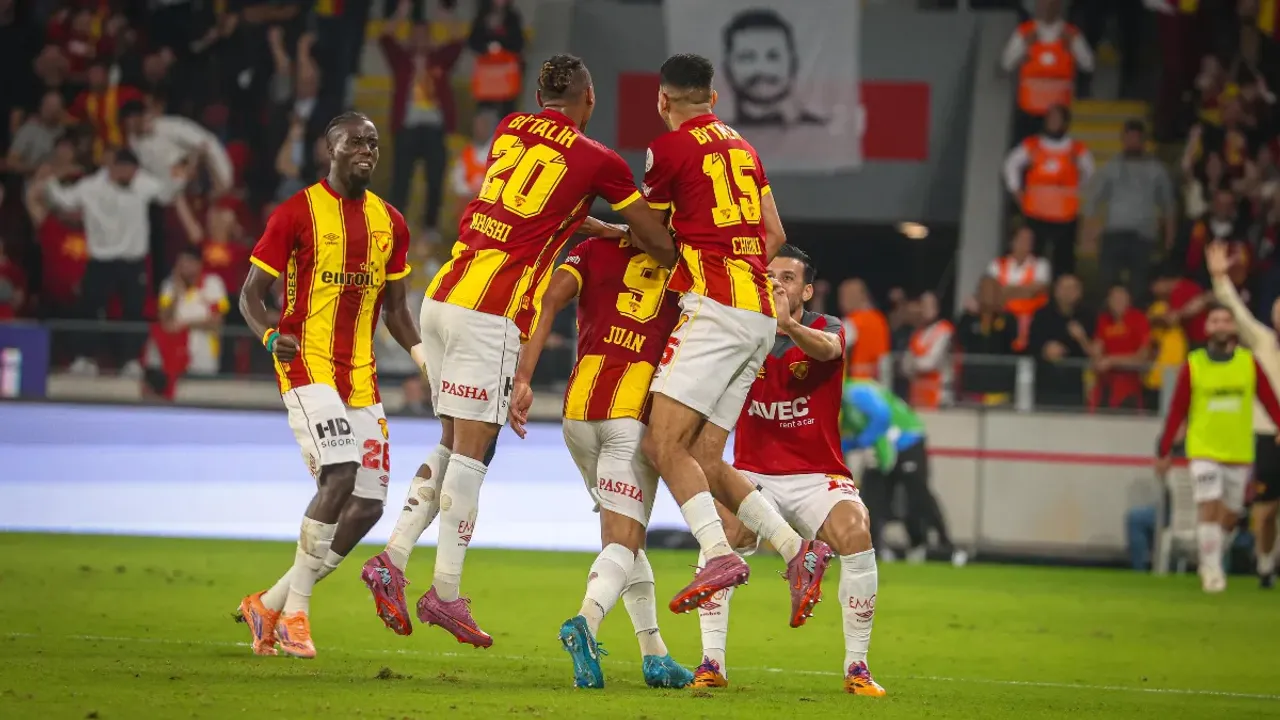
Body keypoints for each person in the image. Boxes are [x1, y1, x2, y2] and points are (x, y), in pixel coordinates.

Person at [360, 54, 676, 647]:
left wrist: (595, 227)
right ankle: (445, 593)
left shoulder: (510, 128)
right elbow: (658, 243)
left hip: (445, 295)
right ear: (589, 98)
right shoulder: (599, 160)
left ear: (537, 97)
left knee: (451, 441)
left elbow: (534, 211)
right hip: (493, 308)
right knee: (474, 452)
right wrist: (635, 233)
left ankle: (393, 557)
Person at [640, 53, 834, 625]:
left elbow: (651, 234)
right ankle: (798, 552)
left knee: (661, 444)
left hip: (716, 308)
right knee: (704, 455)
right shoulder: (745, 149)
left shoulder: (667, 149)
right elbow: (774, 232)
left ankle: (719, 553)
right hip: (757, 315)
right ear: (714, 98)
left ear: (663, 99)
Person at [233, 112, 426, 659]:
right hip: (306, 366)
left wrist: (422, 359)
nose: (366, 149)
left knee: (368, 505)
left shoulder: (391, 222)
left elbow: (396, 309)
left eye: (373, 143)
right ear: (330, 149)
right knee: (340, 473)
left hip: (360, 376)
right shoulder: (296, 212)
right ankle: (296, 614)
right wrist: (270, 335)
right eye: (355, 142)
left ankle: (269, 603)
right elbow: (250, 294)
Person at [691, 246, 885, 696]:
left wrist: (789, 326)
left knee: (856, 533)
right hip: (754, 473)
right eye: (771, 275)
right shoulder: (740, 329)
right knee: (720, 536)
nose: (777, 283)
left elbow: (829, 350)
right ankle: (711, 662)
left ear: (807, 290)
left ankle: (857, 667)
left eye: (789, 277)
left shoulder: (826, 327)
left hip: (818, 473)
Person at [508, 235, 693, 690]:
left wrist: (523, 377)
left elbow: (549, 299)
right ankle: (586, 621)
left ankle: (655, 655)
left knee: (625, 538)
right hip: (630, 416)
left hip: (577, 413)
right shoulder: (688, 259)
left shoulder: (592, 248)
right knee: (624, 539)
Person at [1156, 302, 1280, 593]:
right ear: (1206, 327)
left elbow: (1268, 398)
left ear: (1233, 327)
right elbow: (1178, 408)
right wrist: (1164, 448)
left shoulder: (1248, 363)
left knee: (1232, 515)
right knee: (1209, 503)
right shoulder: (1195, 363)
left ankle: (1209, 557)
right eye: (1215, 320)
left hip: (1238, 450)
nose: (1221, 325)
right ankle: (1212, 570)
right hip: (1204, 449)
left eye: (1226, 320)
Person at [1207, 241, 1280, 588]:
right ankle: (1265, 563)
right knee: (1266, 509)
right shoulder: (1263, 340)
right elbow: (1236, 310)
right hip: (1266, 435)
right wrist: (1220, 278)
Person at [844, 379, 961, 568]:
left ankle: (945, 546)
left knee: (917, 494)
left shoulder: (855, 392)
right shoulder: (841, 408)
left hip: (907, 441)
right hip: (881, 448)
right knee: (871, 497)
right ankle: (874, 549)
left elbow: (881, 416)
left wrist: (864, 441)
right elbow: (851, 438)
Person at [1002, 104, 1094, 277]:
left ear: (1065, 123)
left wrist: (1076, 191)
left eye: (1057, 119)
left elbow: (1089, 172)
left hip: (1065, 216)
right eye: (1050, 118)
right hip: (1036, 213)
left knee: (1064, 263)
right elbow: (1010, 164)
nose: (1053, 122)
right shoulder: (1033, 145)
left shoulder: (1076, 149)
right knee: (1033, 261)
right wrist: (1016, 191)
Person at [720, 8, 826, 127]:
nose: (761, 69)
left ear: (793, 64)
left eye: (773, 57)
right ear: (727, 67)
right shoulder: (711, 135)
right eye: (747, 58)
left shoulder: (819, 131)